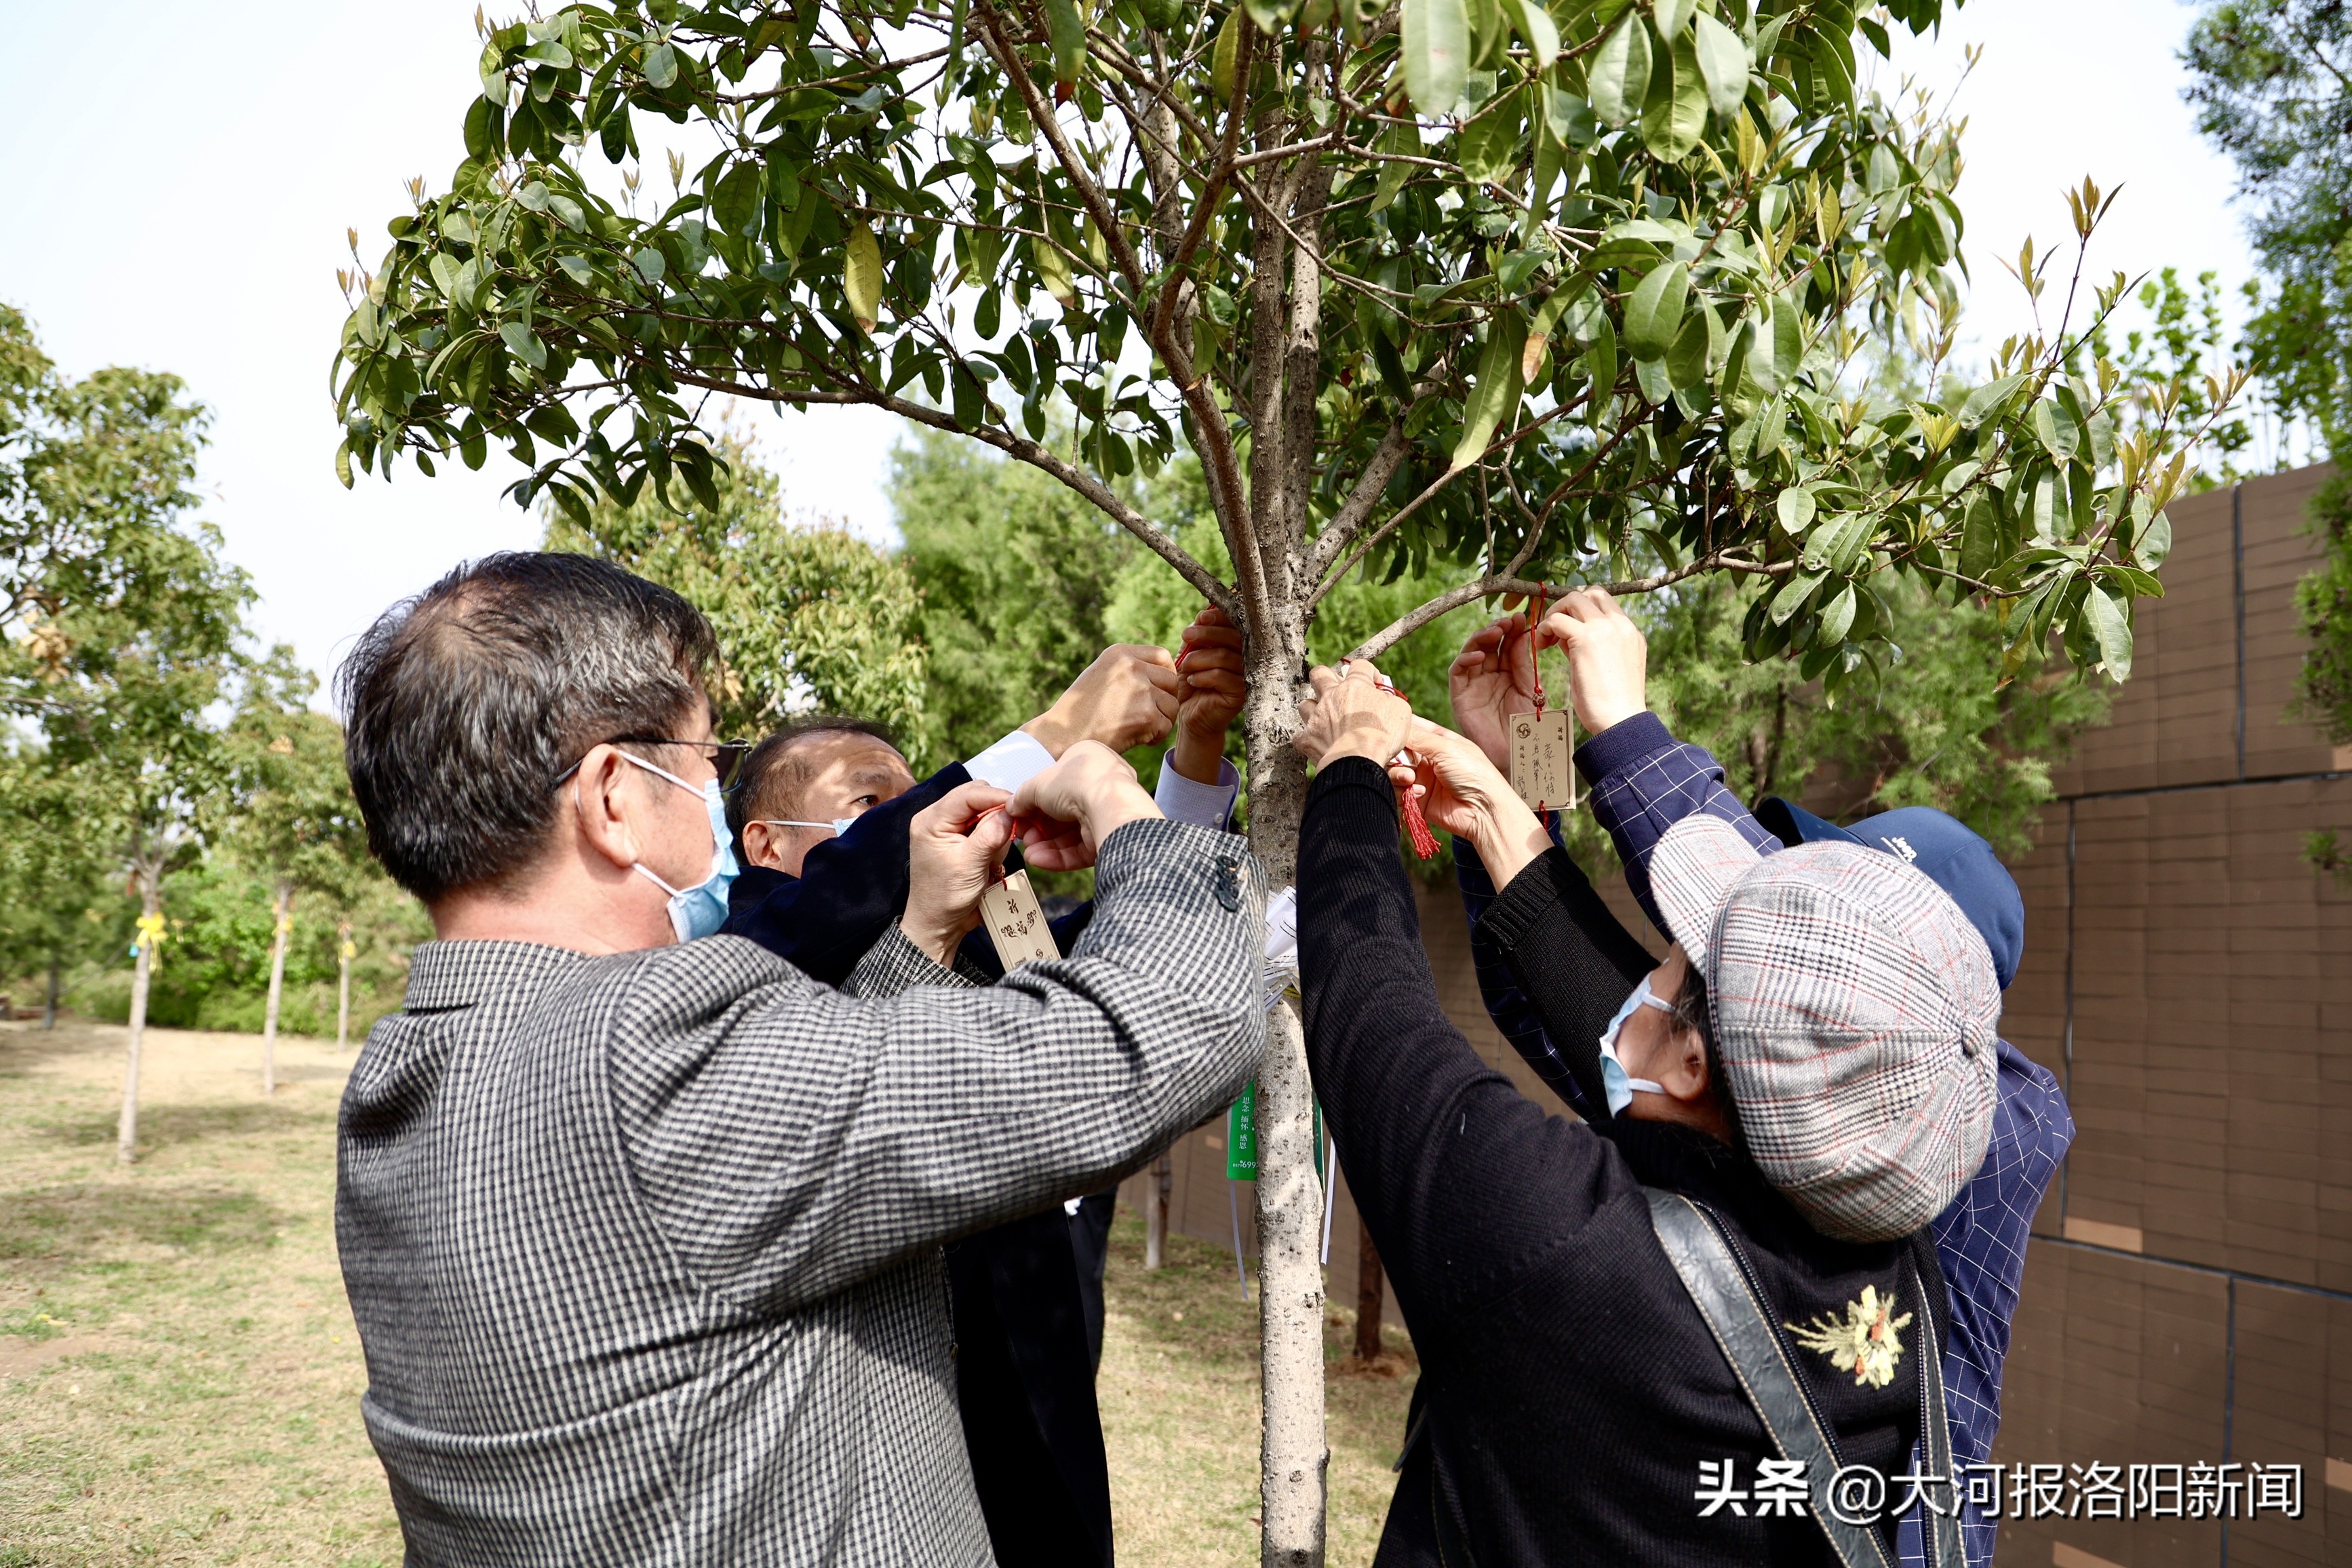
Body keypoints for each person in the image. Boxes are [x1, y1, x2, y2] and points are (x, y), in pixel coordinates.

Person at [330, 552, 1266, 1565]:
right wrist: (1112, 794)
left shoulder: (403, 1082)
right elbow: (1165, 1026)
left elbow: (780, 1170)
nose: (709, 796)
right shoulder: (653, 1053)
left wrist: (917, 936)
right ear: (612, 797)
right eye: (695, 763)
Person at [1291, 651, 2003, 1564]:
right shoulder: (1891, 1248)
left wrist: (1348, 764)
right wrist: (1501, 819)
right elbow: (1668, 1058)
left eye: (1672, 954)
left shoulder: (1564, 1246)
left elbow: (1370, 1018)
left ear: (1698, 1063)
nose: (1649, 968)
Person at [1445, 593, 2073, 1567]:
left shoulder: (1987, 1133)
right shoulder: (1756, 1103)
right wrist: (1523, 769)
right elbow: (1562, 997)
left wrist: (1623, 728)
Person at [710, 607, 1249, 1568]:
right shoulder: (735, 961)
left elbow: (1138, 970)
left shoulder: (988, 924)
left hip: (1035, 1391)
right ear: (766, 840)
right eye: (871, 803)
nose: (907, 818)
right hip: (877, 1429)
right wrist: (1057, 730)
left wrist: (1196, 754)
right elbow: (833, 909)